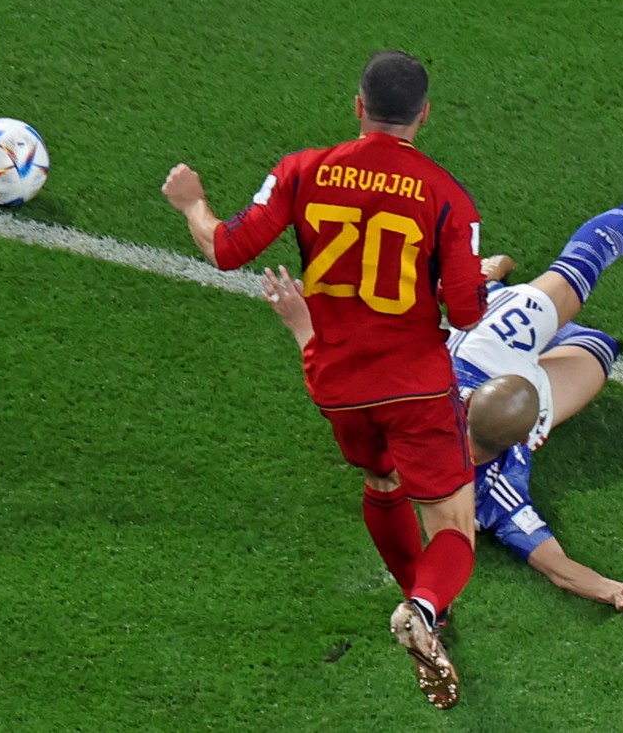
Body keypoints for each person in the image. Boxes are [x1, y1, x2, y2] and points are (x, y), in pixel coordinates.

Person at [259, 172, 623, 612]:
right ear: (525, 435)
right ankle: (492, 285)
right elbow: (555, 565)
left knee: (497, 302)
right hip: (498, 347)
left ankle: (488, 285)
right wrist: (608, 587)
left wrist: (304, 323)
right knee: (595, 342)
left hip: (486, 344)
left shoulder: (441, 421)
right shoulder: (497, 488)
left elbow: (345, 379)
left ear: (470, 401)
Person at [162, 50, 488, 709]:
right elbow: (469, 312)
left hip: (339, 382)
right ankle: (423, 608)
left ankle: (421, 604)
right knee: (454, 523)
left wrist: (193, 203)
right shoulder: (447, 196)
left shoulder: (303, 170)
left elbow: (227, 248)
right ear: (424, 115)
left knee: (382, 479)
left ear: (358, 106)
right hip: (416, 384)